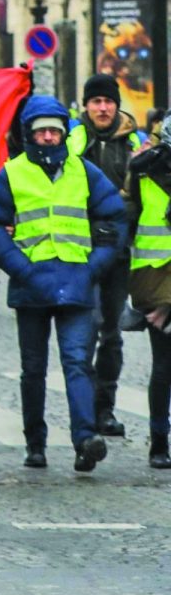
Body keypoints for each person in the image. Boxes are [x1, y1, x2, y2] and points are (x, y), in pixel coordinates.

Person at [0, 94, 129, 472]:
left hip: (77, 282)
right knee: (33, 369)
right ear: (30, 134)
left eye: (54, 131)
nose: (48, 137)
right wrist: (22, 269)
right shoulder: (11, 173)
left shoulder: (83, 171)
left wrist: (93, 267)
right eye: (41, 131)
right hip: (31, 286)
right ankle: (36, 443)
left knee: (78, 363)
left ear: (64, 133)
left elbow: (114, 220)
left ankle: (85, 438)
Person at [67, 73, 146, 439]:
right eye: (95, 101)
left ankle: (105, 409)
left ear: (117, 104)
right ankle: (84, 412)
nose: (102, 107)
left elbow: (142, 196)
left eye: (108, 101)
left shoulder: (135, 143)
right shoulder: (70, 139)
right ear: (86, 105)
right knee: (84, 332)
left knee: (111, 334)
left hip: (118, 253)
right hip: (77, 252)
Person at [124, 122, 171, 468]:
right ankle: (159, 441)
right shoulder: (142, 174)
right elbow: (127, 218)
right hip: (157, 279)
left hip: (153, 278)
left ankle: (159, 443)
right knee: (164, 365)